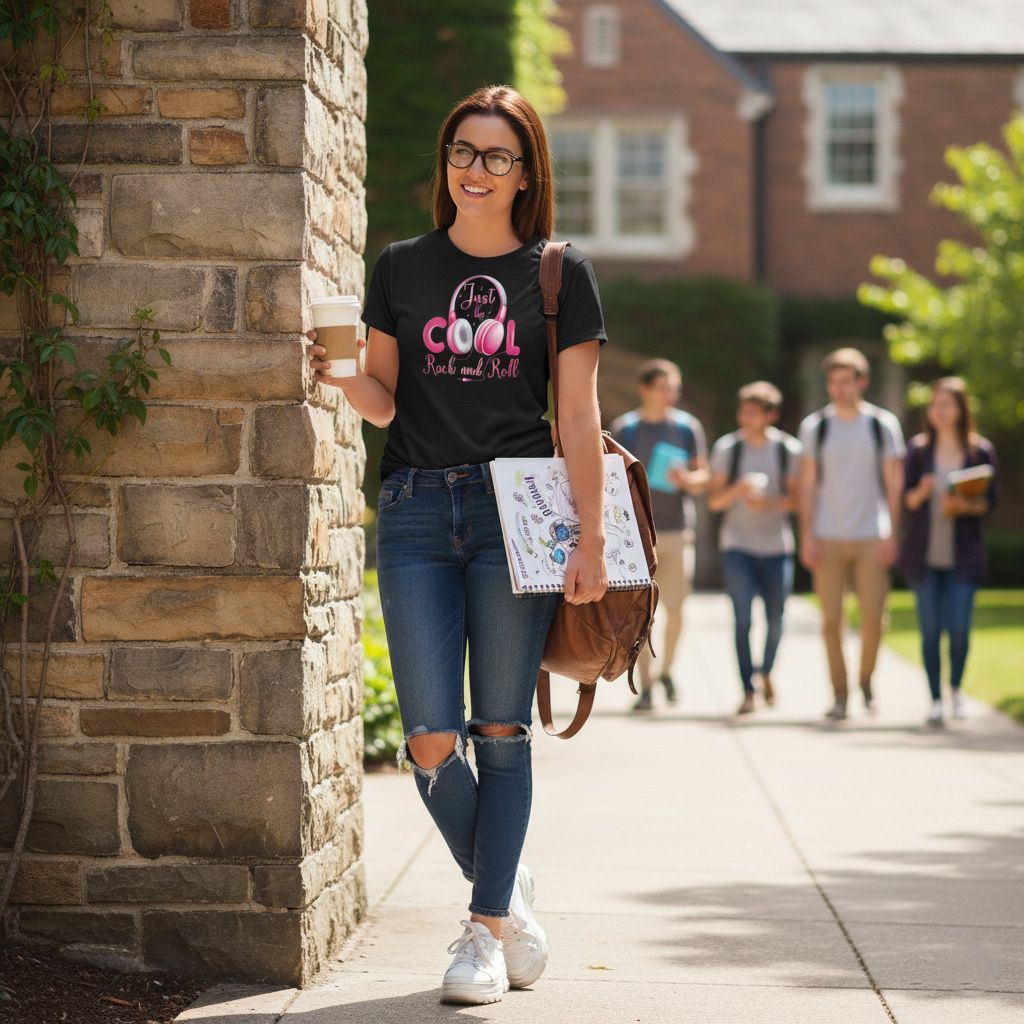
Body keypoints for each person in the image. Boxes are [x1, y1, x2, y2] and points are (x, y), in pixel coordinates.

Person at [305, 85, 608, 1005]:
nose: (476, 170)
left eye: (497, 156)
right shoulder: (401, 267)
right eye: (463, 152)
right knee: (432, 740)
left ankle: (480, 937)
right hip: (412, 511)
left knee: (502, 729)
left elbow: (579, 415)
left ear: (527, 174)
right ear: (447, 164)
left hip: (516, 517)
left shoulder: (559, 273)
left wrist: (589, 538)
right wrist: (337, 373)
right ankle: (508, 892)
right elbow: (387, 401)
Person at [798, 348, 905, 721]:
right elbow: (808, 485)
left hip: (872, 535)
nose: (838, 389)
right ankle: (840, 694)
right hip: (827, 536)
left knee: (875, 617)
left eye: (846, 381)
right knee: (831, 621)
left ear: (862, 382)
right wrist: (807, 536)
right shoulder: (817, 427)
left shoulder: (882, 425)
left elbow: (893, 483)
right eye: (833, 382)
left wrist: (893, 532)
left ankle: (866, 680)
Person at [610, 359, 708, 711]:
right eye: (665, 387)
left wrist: (687, 480)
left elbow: (702, 477)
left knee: (677, 610)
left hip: (677, 532)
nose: (671, 394)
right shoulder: (626, 429)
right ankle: (647, 683)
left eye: (674, 388)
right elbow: (610, 481)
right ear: (646, 390)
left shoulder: (686, 428)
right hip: (638, 537)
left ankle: (667, 672)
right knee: (643, 616)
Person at [899, 378, 998, 726]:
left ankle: (955, 689)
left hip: (963, 554)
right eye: (934, 404)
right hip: (923, 554)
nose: (939, 410)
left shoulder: (979, 451)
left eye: (946, 404)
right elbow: (906, 502)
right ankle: (935, 698)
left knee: (958, 627)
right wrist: (922, 493)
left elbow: (989, 504)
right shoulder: (918, 451)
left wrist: (963, 505)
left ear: (960, 408)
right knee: (929, 630)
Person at [709, 382, 801, 715]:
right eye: (743, 410)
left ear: (770, 415)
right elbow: (715, 502)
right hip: (737, 546)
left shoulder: (788, 450)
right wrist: (737, 491)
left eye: (753, 412)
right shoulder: (728, 449)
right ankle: (748, 689)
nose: (745, 417)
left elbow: (798, 501)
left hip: (777, 547)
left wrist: (769, 503)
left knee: (776, 619)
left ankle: (765, 671)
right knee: (743, 620)